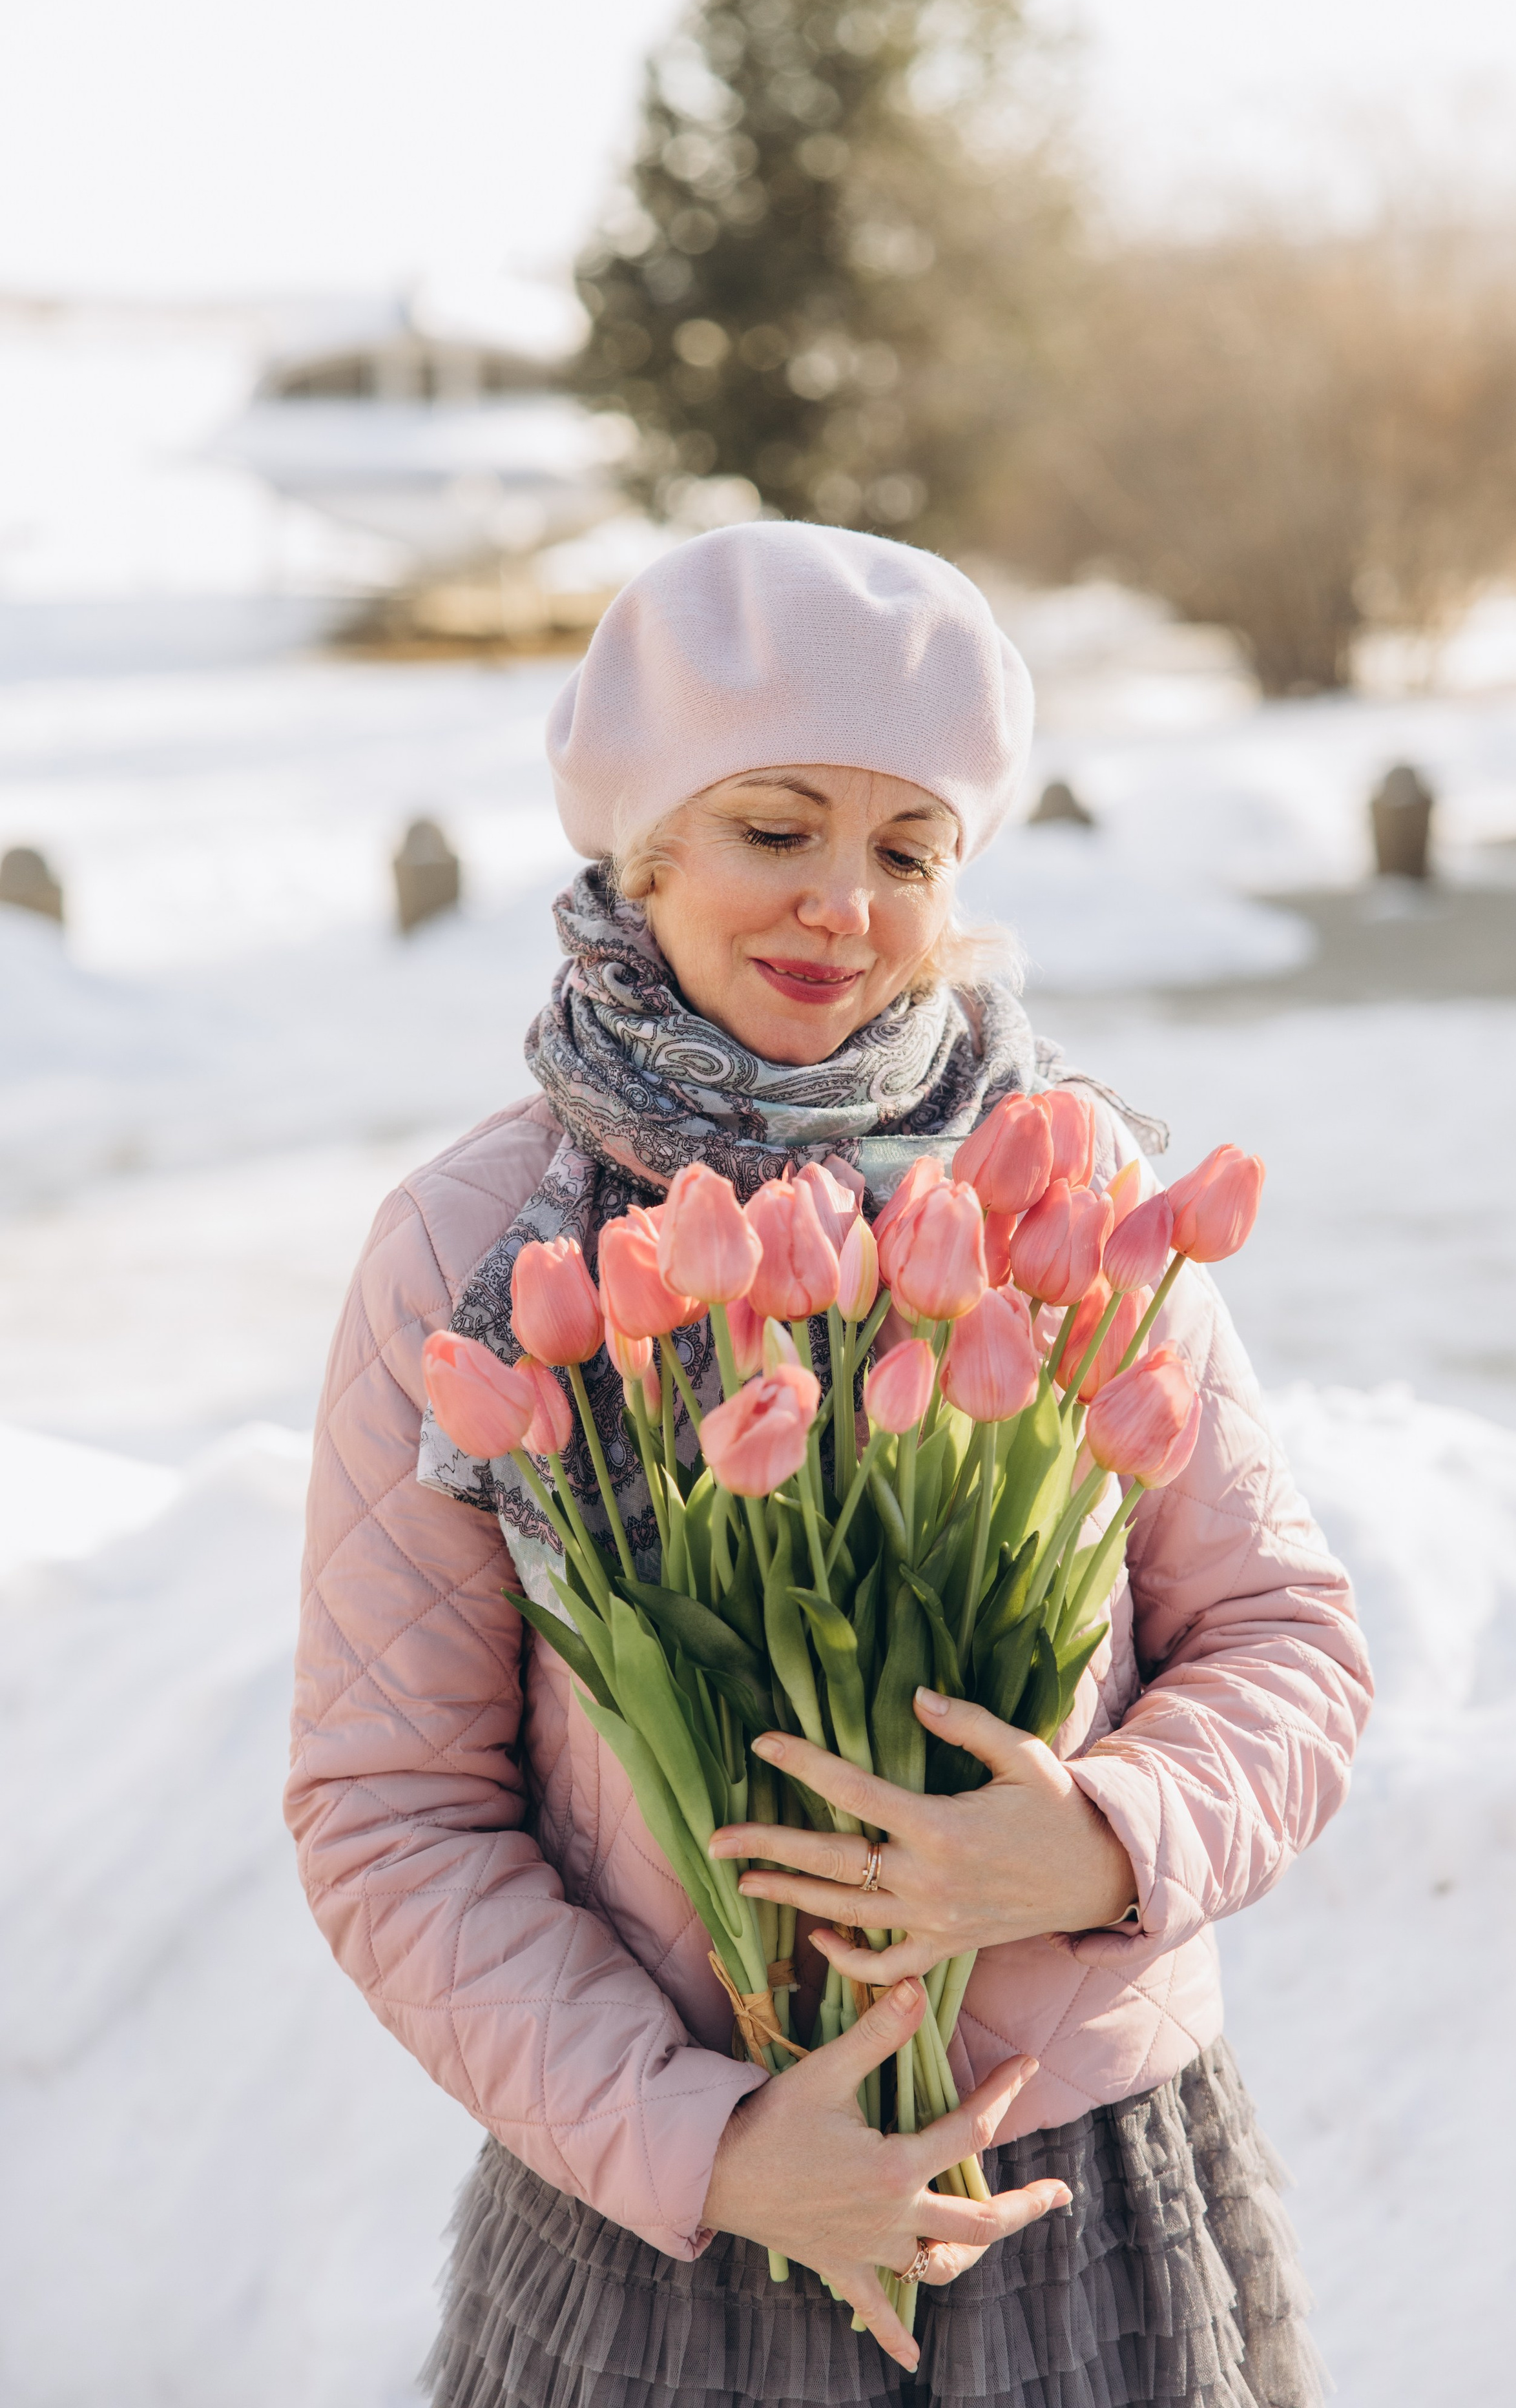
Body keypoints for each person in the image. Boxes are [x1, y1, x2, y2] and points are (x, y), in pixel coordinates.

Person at [286, 522, 1372, 2408]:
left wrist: (1101, 1840)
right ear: (646, 849)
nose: (841, 909)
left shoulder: (1071, 1198)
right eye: (775, 830)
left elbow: (1289, 1642)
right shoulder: (473, 1252)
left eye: (907, 851)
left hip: (1083, 2195)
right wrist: (708, 2142)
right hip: (667, 2218)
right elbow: (391, 1812)